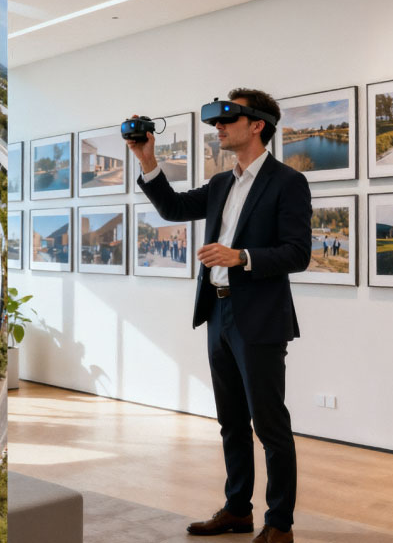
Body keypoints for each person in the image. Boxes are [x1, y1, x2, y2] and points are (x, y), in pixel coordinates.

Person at [128, 88, 310, 543]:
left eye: (227, 120)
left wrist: (241, 257)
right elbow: (173, 208)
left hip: (260, 319)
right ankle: (237, 510)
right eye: (216, 122)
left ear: (257, 125)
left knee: (270, 425)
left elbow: (298, 253)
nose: (218, 128)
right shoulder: (221, 184)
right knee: (231, 421)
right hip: (218, 312)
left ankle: (280, 523)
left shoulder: (288, 182)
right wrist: (147, 160)